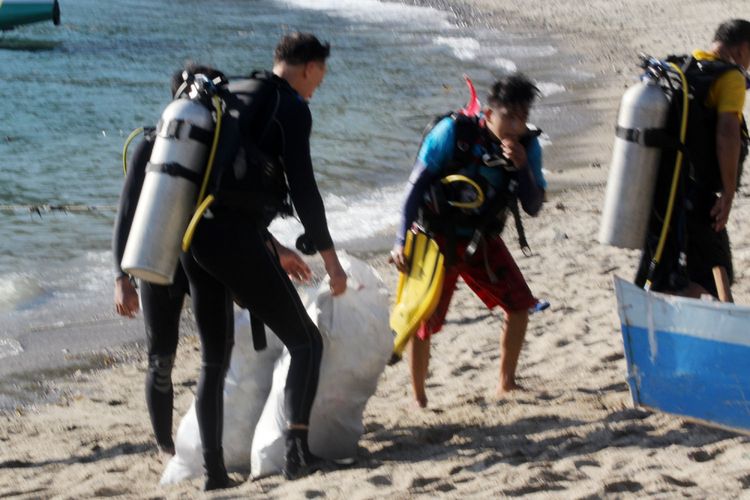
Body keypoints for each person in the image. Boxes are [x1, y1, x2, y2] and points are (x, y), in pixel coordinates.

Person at [112, 64, 312, 463]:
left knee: (184, 358)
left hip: (190, 260)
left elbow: (223, 208)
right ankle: (166, 446)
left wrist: (274, 248)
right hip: (172, 257)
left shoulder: (206, 143)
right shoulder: (154, 145)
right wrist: (120, 276)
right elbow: (130, 210)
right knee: (175, 357)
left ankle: (193, 454)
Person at [179, 33, 347, 488]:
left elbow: (228, 186)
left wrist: (274, 247)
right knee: (305, 342)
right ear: (309, 67)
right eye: (321, 76)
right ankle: (297, 455)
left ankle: (214, 474)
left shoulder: (233, 92)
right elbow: (305, 192)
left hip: (192, 235)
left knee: (214, 359)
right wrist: (331, 261)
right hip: (232, 239)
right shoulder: (290, 107)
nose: (319, 86)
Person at [390, 73, 547, 408]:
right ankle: (419, 399)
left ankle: (507, 383)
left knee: (520, 305)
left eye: (522, 119)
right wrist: (399, 241)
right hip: (435, 240)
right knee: (422, 320)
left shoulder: (528, 148)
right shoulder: (453, 132)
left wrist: (522, 167)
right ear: (489, 113)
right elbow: (413, 188)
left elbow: (533, 206)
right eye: (509, 116)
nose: (515, 126)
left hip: (482, 241)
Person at [635, 19, 750, 298]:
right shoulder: (730, 77)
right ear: (744, 48)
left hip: (666, 189)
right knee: (716, 270)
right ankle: (724, 336)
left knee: (670, 268)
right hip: (699, 194)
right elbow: (727, 132)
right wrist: (729, 191)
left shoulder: (685, 67)